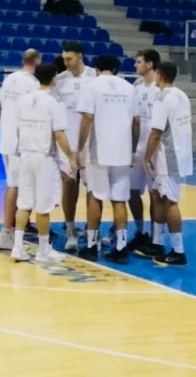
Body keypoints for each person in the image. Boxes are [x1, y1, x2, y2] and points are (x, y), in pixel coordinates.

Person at [10, 63, 77, 263]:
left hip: (25, 154)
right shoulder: (54, 102)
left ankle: (17, 247)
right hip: (44, 157)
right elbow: (59, 134)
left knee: (24, 204)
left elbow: (17, 129)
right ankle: (43, 250)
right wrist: (71, 156)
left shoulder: (24, 100)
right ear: (54, 78)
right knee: (43, 207)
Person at [75, 54, 137, 264]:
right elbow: (136, 122)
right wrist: (133, 148)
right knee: (120, 200)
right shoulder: (129, 88)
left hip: (99, 151)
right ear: (116, 69)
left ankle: (92, 246)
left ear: (97, 67)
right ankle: (121, 247)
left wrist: (80, 148)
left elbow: (87, 119)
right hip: (122, 151)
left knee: (95, 196)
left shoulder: (92, 86)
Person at [136, 61, 193, 266]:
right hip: (181, 152)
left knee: (169, 200)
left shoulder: (162, 98)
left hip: (168, 156)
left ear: (159, 75)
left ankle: (178, 250)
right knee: (160, 197)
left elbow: (156, 132)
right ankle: (157, 243)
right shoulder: (182, 95)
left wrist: (147, 156)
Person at [0, 49, 41, 251]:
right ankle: (9, 235)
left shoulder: (10, 78)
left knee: (12, 185)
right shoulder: (33, 84)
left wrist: (6, 125)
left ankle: (8, 233)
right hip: (22, 142)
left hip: (6, 139)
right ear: (37, 61)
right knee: (20, 188)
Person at [54, 41, 97, 251]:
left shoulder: (94, 77)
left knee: (92, 189)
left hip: (91, 143)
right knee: (68, 185)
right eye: (63, 59)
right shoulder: (59, 80)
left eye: (69, 59)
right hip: (67, 142)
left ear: (80, 57)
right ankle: (70, 230)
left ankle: (91, 234)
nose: (66, 62)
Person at [125, 49, 162, 250]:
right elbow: (134, 121)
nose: (135, 65)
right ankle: (140, 231)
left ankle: (156, 239)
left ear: (149, 64)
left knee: (155, 194)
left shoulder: (161, 88)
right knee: (130, 191)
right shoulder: (136, 87)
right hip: (138, 148)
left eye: (138, 62)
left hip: (155, 149)